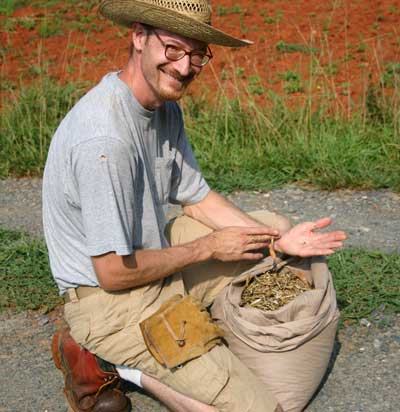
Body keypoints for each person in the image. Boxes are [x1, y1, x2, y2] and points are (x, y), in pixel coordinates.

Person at [43, 0, 347, 411]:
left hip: (151, 260)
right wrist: (209, 248)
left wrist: (277, 242)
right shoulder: (105, 141)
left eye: (197, 53)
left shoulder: (162, 109)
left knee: (266, 225)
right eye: (172, 49)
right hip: (111, 299)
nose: (185, 67)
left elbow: (198, 198)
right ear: (138, 37)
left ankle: (164, 351)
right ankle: (116, 359)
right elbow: (112, 273)